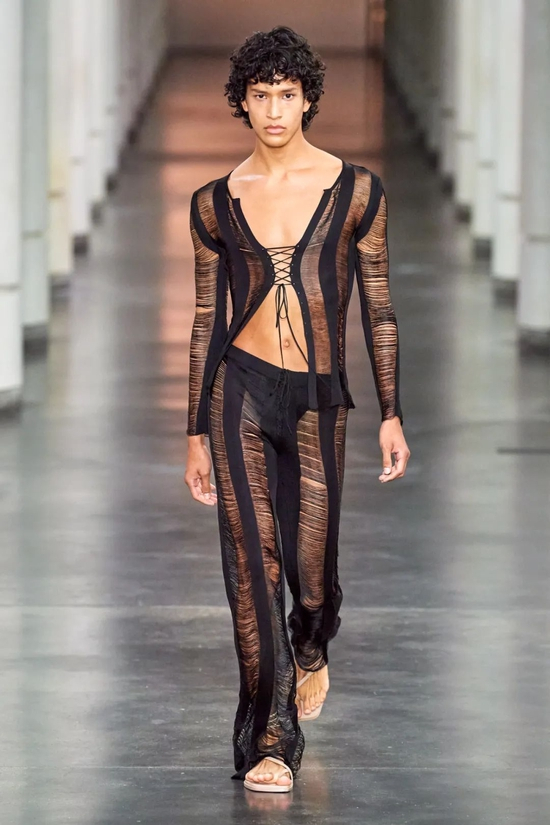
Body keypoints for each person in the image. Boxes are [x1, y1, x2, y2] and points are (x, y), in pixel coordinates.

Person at [184, 25, 410, 793]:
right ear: (242, 103)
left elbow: (379, 306)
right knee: (254, 567)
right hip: (239, 391)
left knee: (311, 574)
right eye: (261, 95)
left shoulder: (357, 192)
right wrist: (194, 429)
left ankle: (313, 642)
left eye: (287, 94)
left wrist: (391, 411)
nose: (275, 109)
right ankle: (272, 737)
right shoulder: (214, 204)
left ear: (308, 98)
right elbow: (205, 320)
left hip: (318, 398)